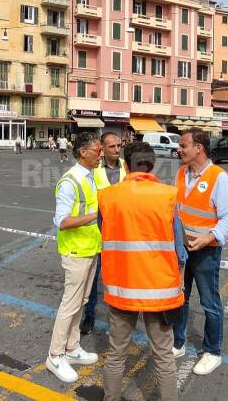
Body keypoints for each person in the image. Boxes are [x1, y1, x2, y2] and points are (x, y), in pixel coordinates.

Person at [98, 141, 185, 401]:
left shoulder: (108, 196)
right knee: (164, 355)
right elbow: (180, 249)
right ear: (152, 164)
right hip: (160, 290)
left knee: (116, 354)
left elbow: (106, 233)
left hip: (122, 287)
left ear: (126, 164)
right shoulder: (168, 196)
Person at [171, 128, 228, 376]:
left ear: (198, 148)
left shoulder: (220, 178)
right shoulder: (180, 173)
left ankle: (212, 352)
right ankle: (178, 343)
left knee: (210, 303)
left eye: (183, 145)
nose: (179, 149)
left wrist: (208, 237)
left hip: (206, 251)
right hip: (182, 250)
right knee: (180, 297)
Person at [46, 133, 102, 383]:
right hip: (76, 252)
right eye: (97, 150)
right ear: (82, 151)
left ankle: (72, 348)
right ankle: (55, 356)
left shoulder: (90, 177)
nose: (100, 154)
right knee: (70, 304)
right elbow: (62, 221)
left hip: (90, 249)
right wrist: (95, 216)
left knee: (83, 300)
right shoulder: (70, 181)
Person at [80, 132, 126, 335]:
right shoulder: (94, 169)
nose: (117, 149)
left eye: (119, 145)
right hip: (99, 228)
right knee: (93, 277)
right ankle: (89, 316)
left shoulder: (127, 165)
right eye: (112, 146)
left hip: (123, 230)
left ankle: (121, 321)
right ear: (103, 149)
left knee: (121, 278)